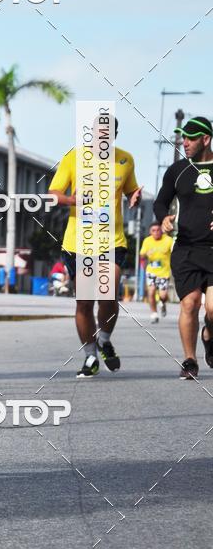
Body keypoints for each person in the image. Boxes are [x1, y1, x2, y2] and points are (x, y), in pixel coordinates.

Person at [49, 119, 142, 377]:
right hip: (78, 242)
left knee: (108, 293)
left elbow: (131, 191)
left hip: (112, 240)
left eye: (106, 134)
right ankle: (90, 356)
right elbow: (53, 194)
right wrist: (72, 200)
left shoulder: (125, 160)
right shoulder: (73, 157)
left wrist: (134, 197)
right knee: (84, 302)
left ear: (114, 135)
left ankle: (104, 339)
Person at [154, 117, 213, 380]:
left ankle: (208, 334)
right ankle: (190, 360)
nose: (184, 142)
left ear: (206, 139)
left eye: (191, 137)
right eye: (183, 137)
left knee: (212, 310)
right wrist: (163, 218)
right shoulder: (177, 170)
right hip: (186, 248)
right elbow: (160, 202)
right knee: (189, 303)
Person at [140, 222, 172, 323]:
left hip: (164, 272)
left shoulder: (168, 240)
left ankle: (163, 304)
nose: (156, 232)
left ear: (161, 230)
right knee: (151, 291)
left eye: (158, 230)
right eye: (153, 230)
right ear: (150, 232)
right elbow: (141, 256)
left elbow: (175, 252)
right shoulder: (147, 241)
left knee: (163, 296)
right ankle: (154, 313)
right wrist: (146, 254)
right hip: (151, 271)